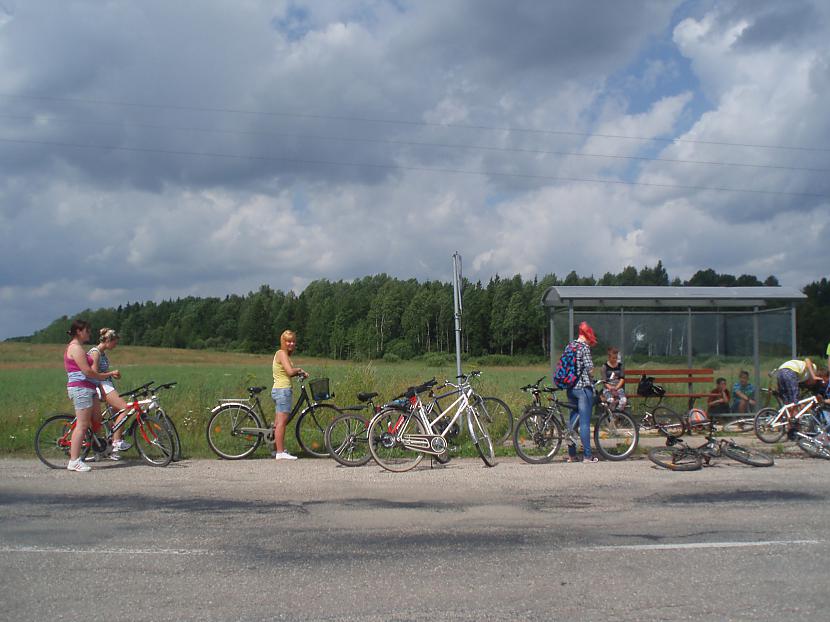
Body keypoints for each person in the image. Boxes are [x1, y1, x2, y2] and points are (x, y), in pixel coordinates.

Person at [64, 319, 120, 472]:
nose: (89, 333)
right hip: (81, 389)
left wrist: (99, 387)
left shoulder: (80, 348)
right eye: (87, 330)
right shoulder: (75, 348)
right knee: (82, 425)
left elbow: (90, 373)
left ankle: (98, 448)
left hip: (89, 388)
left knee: (97, 420)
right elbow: (87, 371)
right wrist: (106, 375)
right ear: (79, 332)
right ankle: (74, 460)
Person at [89, 328, 131, 456]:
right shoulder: (95, 353)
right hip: (100, 385)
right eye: (115, 342)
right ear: (108, 340)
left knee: (116, 414)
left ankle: (112, 448)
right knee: (125, 408)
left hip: (106, 384)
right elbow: (94, 374)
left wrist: (111, 375)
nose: (115, 345)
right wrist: (111, 373)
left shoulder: (103, 353)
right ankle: (116, 441)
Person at [565, 321, 598, 463]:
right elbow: (590, 369)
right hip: (583, 389)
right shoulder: (584, 348)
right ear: (587, 336)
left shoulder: (570, 346)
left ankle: (572, 455)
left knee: (573, 422)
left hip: (570, 389)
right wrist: (593, 378)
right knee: (584, 423)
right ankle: (587, 456)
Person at [272, 330, 307, 460]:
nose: (291, 343)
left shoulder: (282, 354)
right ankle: (280, 453)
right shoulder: (282, 353)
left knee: (278, 423)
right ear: (283, 342)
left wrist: (298, 372)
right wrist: (299, 370)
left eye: (293, 341)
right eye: (288, 341)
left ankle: (276, 449)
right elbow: (289, 371)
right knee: (282, 422)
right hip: (283, 391)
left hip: (279, 390)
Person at [601, 347, 626, 412]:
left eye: (616, 358)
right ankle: (611, 416)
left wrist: (616, 388)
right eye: (613, 358)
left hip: (618, 388)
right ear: (609, 357)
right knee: (611, 400)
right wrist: (611, 388)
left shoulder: (620, 366)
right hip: (608, 388)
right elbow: (604, 381)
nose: (615, 360)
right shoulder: (604, 366)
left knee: (623, 400)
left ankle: (618, 414)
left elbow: (622, 379)